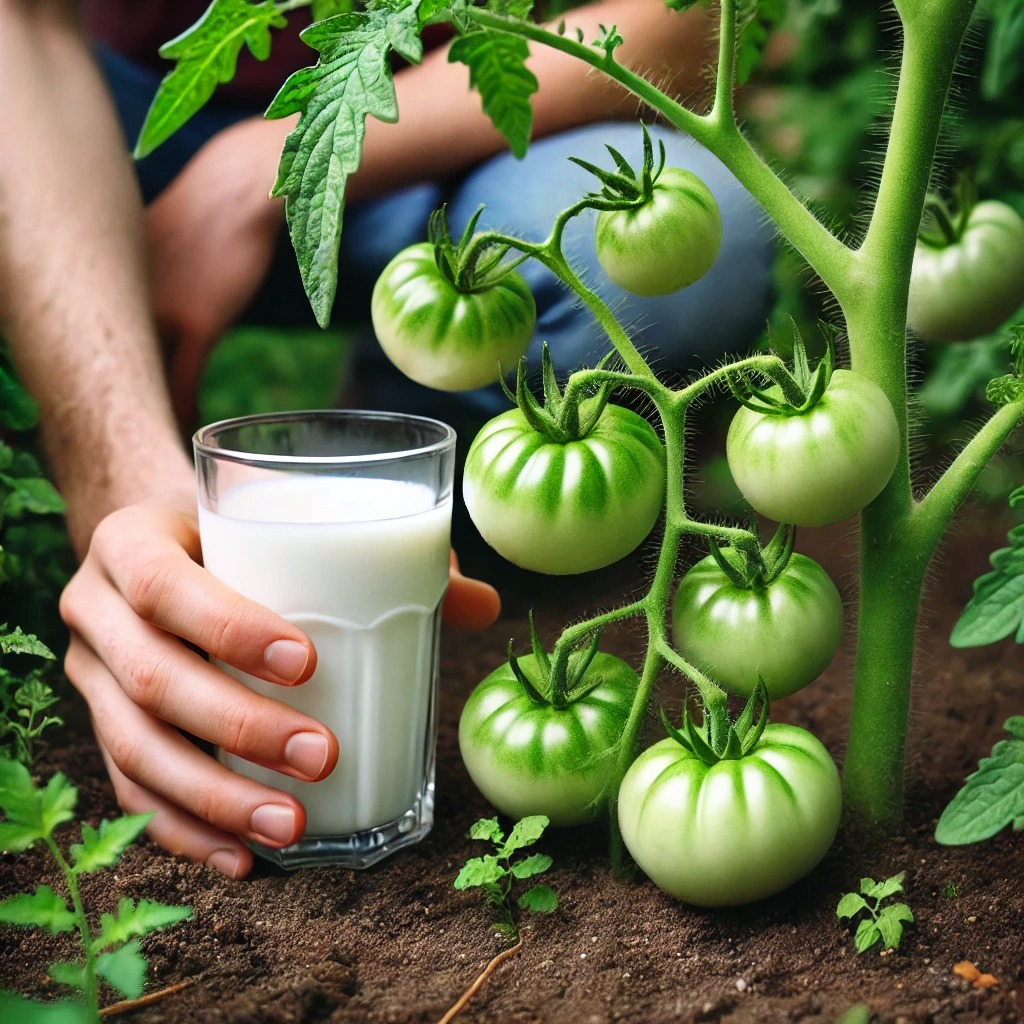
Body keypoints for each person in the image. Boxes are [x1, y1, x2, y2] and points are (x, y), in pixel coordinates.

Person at [0, 0, 774, 878]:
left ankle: (414, 422)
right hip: (85, 117)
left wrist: (270, 163)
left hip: (425, 118)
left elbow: (696, 18)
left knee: (691, 249)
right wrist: (124, 472)